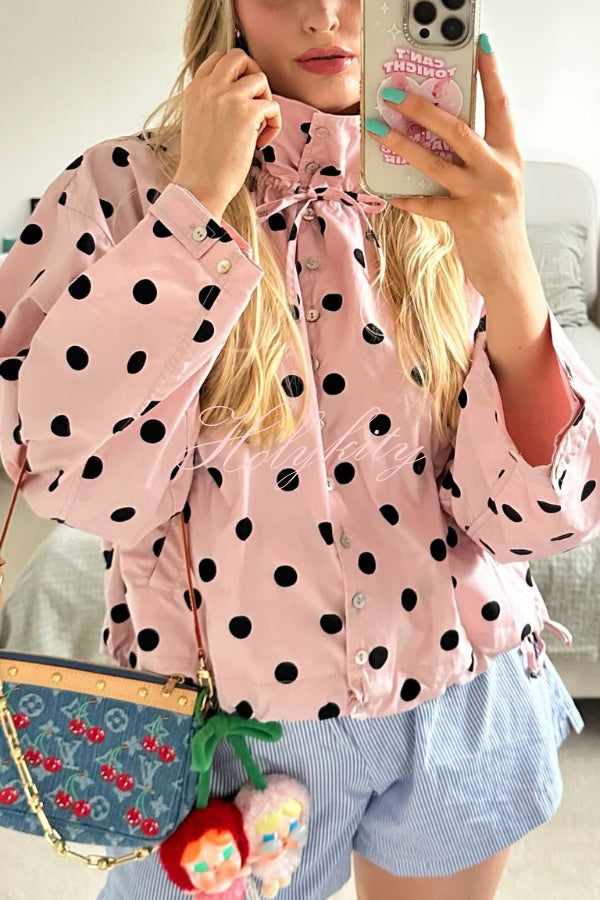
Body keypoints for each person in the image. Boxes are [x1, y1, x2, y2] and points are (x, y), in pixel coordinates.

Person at [0, 1, 597, 898]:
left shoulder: (457, 194)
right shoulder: (118, 189)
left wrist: (509, 273)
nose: (323, 11)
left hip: (461, 688)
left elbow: (535, 519)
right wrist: (194, 209)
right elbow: (75, 478)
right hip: (223, 736)